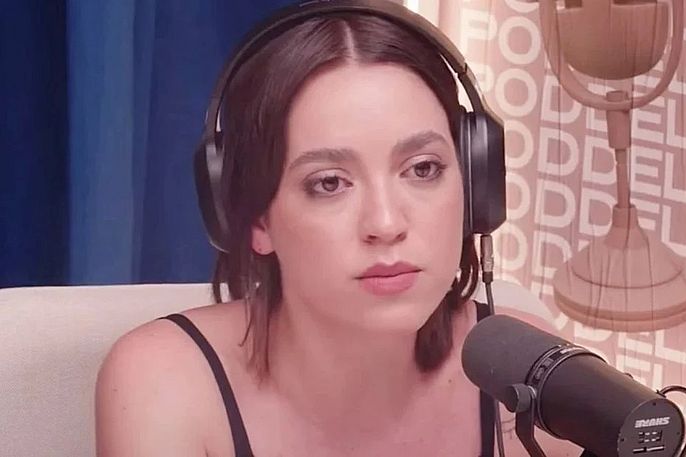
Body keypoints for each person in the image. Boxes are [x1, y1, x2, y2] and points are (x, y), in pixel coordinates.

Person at [94, 2, 580, 456]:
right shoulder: (165, 382)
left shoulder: (531, 373)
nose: (386, 224)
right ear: (257, 219)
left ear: (475, 185)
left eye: (423, 168)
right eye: (329, 183)